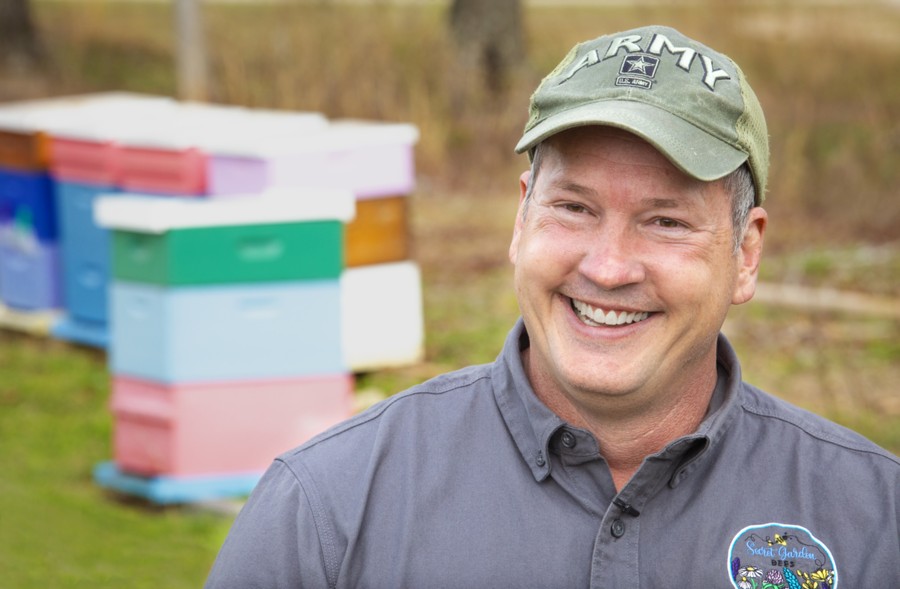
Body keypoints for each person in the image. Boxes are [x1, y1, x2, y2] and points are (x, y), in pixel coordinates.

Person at [205, 25, 899, 588]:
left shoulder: (873, 522)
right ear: (521, 219)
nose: (606, 266)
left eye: (666, 221)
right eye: (573, 208)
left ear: (746, 253)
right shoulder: (328, 507)